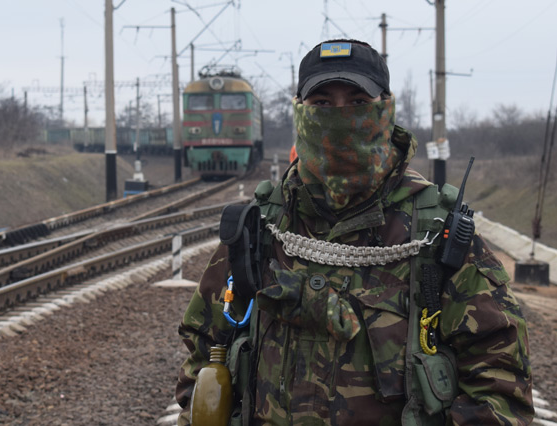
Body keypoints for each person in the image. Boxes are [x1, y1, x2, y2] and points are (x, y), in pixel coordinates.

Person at [176, 39, 533, 425]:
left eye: (358, 102)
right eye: (322, 104)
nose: (339, 115)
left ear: (385, 109)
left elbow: (500, 383)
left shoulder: (436, 234)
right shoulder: (260, 227)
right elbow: (203, 354)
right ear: (301, 112)